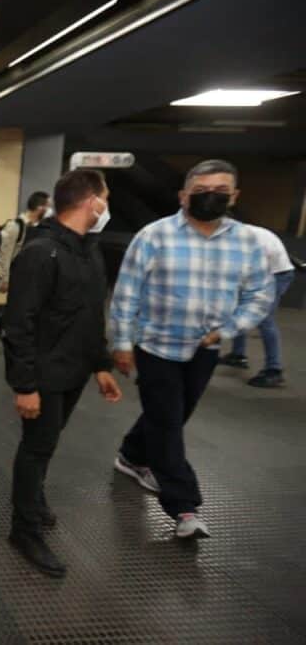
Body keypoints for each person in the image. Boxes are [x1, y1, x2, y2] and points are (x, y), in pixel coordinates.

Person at [111, 159, 272, 539]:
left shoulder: (248, 241)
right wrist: (121, 342)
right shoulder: (154, 236)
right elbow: (126, 293)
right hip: (156, 346)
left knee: (174, 414)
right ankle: (184, 508)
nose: (210, 197)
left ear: (234, 196)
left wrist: (229, 329)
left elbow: (260, 294)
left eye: (219, 191)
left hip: (204, 349)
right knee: (167, 423)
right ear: (183, 196)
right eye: (200, 192)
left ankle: (131, 455)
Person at [3, 170, 122, 577]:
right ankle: (24, 529)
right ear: (93, 203)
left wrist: (101, 365)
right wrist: (25, 386)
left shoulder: (89, 251)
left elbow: (91, 316)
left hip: (72, 371)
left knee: (47, 444)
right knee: (35, 449)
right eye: (104, 198)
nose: (107, 206)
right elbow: (18, 324)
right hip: (44, 375)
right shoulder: (41, 252)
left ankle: (33, 504)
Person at [218, 224, 296, 388]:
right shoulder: (229, 236)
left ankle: (274, 370)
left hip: (277, 274)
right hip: (257, 271)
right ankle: (238, 355)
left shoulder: (249, 239)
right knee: (238, 311)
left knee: (264, 318)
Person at [0, 191, 50, 293]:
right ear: (40, 208)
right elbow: (5, 255)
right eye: (48, 206)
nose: (50, 210)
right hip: (18, 278)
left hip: (37, 278)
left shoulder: (43, 227)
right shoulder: (15, 226)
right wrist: (5, 280)